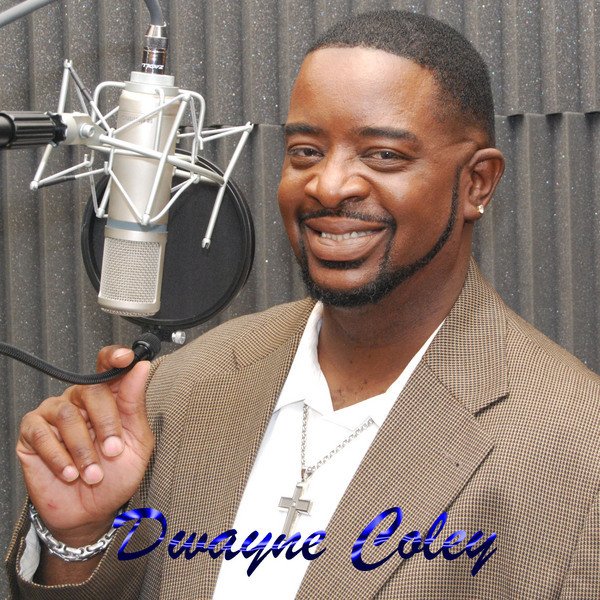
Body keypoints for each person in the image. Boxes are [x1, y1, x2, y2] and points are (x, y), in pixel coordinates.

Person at [6, 9, 600, 599]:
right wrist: (77, 539)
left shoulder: (575, 449)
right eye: (306, 151)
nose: (328, 185)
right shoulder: (182, 389)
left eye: (383, 155)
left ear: (477, 183)